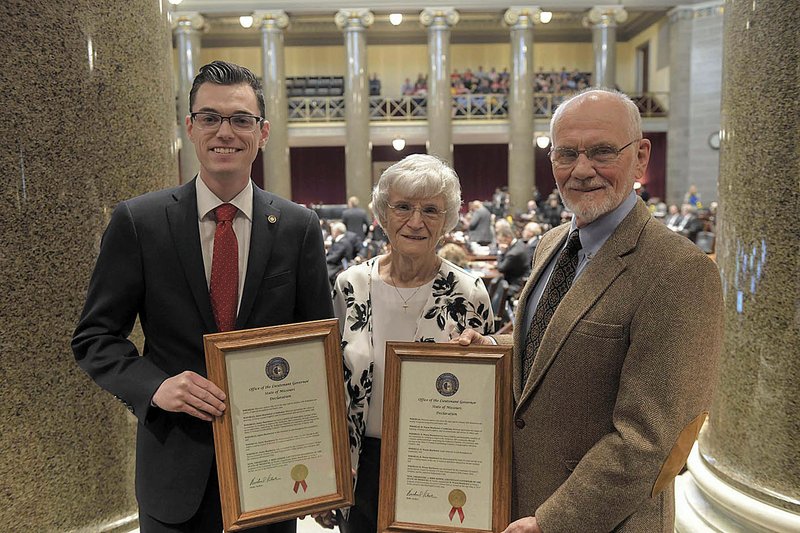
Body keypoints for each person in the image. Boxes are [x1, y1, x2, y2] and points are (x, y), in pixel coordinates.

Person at [72, 61, 333, 533]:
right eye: (209, 117)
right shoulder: (140, 222)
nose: (224, 132)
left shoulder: (298, 227)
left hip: (272, 476)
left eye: (240, 119)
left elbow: (319, 345)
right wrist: (154, 386)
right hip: (174, 472)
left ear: (264, 131)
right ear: (190, 128)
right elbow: (94, 337)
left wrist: (322, 463)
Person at [454, 88, 723, 532]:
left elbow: (647, 440)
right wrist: (493, 348)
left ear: (640, 157)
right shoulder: (551, 244)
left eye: (601, 152)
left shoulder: (679, 271)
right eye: (566, 154)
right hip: (520, 503)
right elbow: (547, 342)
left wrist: (552, 522)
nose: (581, 170)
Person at [316, 154, 494, 532]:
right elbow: (327, 380)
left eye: (431, 210)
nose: (416, 221)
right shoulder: (350, 286)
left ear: (446, 221)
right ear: (382, 214)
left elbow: (486, 399)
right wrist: (324, 468)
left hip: (439, 468)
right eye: (403, 207)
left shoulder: (469, 293)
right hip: (360, 462)